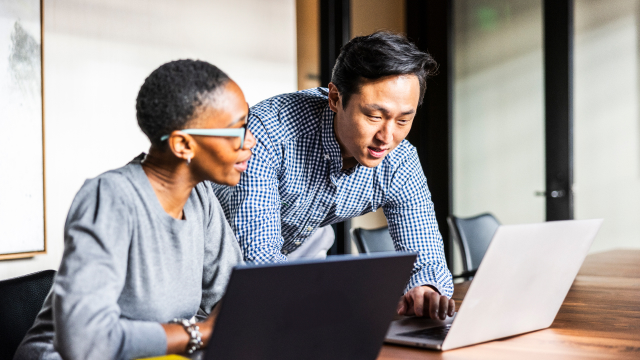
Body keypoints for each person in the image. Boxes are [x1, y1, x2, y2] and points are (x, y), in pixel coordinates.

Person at [14, 59, 256, 360]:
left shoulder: (201, 197)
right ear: (183, 145)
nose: (251, 141)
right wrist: (200, 333)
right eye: (238, 129)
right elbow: (85, 340)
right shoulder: (111, 197)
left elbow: (233, 300)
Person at [214, 31, 455, 321]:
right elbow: (259, 260)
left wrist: (425, 287)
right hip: (206, 268)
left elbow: (426, 253)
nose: (387, 137)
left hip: (285, 263)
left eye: (404, 119)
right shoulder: (267, 133)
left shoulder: (400, 159)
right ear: (335, 98)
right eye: (374, 116)